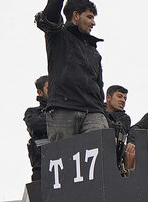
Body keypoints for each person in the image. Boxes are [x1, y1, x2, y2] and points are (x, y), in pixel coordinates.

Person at [36, 0, 108, 142]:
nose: (93, 23)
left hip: (94, 112)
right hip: (63, 108)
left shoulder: (94, 51)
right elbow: (50, 14)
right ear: (76, 15)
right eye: (89, 17)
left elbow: (100, 87)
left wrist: (105, 115)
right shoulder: (58, 35)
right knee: (64, 158)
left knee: (100, 156)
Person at [24, 75, 49, 180]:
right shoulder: (32, 113)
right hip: (42, 168)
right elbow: (36, 126)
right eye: (49, 88)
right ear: (40, 92)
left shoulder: (68, 109)